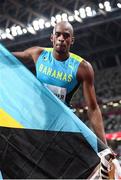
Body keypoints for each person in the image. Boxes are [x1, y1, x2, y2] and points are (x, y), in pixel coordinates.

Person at [13, 21, 107, 144]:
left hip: (63, 126)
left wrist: (104, 145)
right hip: (36, 122)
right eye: (58, 34)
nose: (61, 39)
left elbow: (93, 109)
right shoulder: (38, 53)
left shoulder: (82, 67)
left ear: (72, 40)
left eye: (66, 35)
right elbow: (11, 57)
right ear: (52, 38)